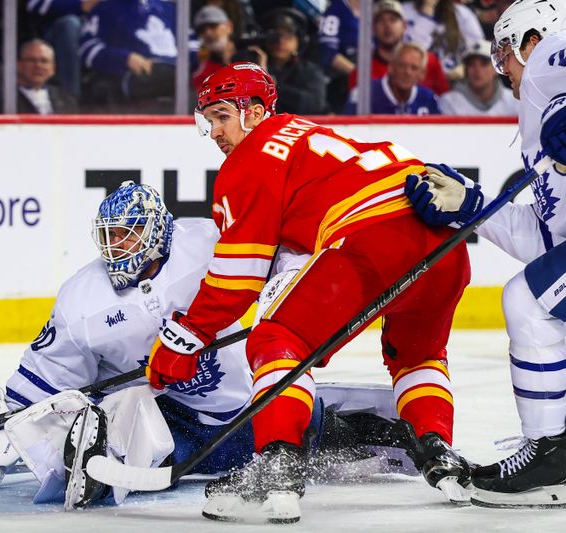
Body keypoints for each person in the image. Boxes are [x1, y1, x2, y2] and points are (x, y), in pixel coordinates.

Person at [0, 181, 417, 509]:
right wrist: (5, 427)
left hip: (246, 410)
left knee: (310, 428)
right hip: (173, 418)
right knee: (134, 427)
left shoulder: (207, 241)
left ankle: (392, 437)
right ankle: (94, 464)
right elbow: (48, 372)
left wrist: (296, 291)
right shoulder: (82, 300)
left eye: (127, 235)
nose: (115, 247)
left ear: (156, 231)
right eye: (108, 237)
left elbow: (285, 256)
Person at [148, 62, 472, 523]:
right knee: (416, 355)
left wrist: (186, 336)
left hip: (372, 240)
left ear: (256, 112)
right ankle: (437, 448)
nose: (216, 131)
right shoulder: (305, 135)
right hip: (446, 247)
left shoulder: (251, 157)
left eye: (222, 116)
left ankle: (277, 464)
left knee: (277, 340)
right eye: (209, 120)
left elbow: (237, 279)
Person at [404, 0, 566, 508]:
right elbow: (548, 241)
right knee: (540, 293)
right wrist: (471, 205)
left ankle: (551, 458)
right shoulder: (541, 122)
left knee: (529, 301)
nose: (504, 71)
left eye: (507, 55)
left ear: (534, 42)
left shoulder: (551, 65)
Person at [78, 0, 177, 113]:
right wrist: (126, 58)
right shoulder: (105, 8)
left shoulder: (170, 8)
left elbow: (191, 44)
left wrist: (188, 62)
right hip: (135, 78)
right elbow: (87, 48)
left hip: (176, 73)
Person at [347, 0, 450, 96]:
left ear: (404, 26)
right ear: (373, 29)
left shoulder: (430, 62)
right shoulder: (362, 73)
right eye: (380, 20)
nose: (387, 25)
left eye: (393, 19)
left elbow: (446, 104)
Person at [261, 8, 328, 115]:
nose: (281, 42)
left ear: (299, 40)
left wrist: (275, 87)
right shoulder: (257, 64)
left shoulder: (310, 71)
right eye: (276, 36)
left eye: (288, 36)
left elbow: (316, 104)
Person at [346, 42, 441, 114]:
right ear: (391, 67)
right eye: (402, 66)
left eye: (414, 68)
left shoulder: (428, 99)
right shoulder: (365, 94)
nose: (407, 72)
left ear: (422, 74)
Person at [402, 0, 485, 81]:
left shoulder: (463, 14)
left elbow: (478, 49)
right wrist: (427, 11)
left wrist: (464, 68)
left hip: (455, 81)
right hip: (416, 78)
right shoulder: (405, 10)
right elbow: (410, 51)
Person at [438, 39, 518, 115]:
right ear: (466, 69)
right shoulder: (449, 102)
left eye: (484, 64)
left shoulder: (515, 101)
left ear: (497, 67)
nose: (477, 70)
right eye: (471, 64)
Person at [318, 0, 359, 112]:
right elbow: (328, 53)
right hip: (340, 83)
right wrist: (359, 75)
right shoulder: (335, 10)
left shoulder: (374, 10)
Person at [17, 39, 78, 114]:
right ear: (18, 65)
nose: (38, 66)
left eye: (44, 61)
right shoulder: (5, 98)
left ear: (53, 68)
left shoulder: (66, 99)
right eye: (31, 60)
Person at [191, 5, 238, 90]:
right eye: (202, 30)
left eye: (213, 26)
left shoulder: (252, 54)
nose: (208, 33)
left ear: (229, 26)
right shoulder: (203, 75)